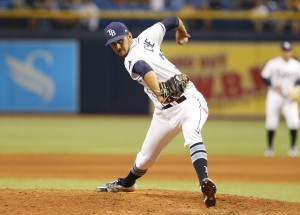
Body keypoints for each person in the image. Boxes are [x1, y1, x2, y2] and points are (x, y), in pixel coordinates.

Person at [96, 16, 217, 207]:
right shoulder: (145, 40)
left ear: (129, 35)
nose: (118, 47)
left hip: (190, 101)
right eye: (113, 45)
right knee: (145, 158)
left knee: (192, 133)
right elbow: (173, 21)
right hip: (163, 113)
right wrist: (182, 33)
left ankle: (204, 182)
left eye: (120, 40)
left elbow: (146, 68)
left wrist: (160, 93)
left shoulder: (134, 55)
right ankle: (127, 183)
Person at [261, 41, 300, 157]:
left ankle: (293, 148)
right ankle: (269, 148)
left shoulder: (296, 65)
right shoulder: (273, 63)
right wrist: (273, 84)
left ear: (291, 51)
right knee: (271, 122)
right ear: (281, 51)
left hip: (289, 97)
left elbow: (299, 80)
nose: (286, 53)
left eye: (288, 50)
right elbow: (264, 77)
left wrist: (296, 89)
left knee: (294, 122)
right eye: (284, 50)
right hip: (274, 95)